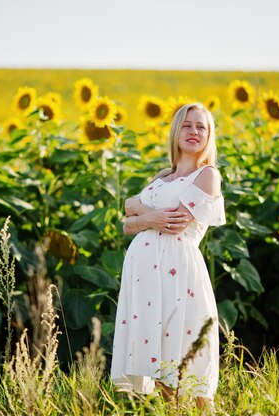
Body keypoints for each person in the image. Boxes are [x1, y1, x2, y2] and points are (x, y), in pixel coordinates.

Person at [110, 102, 226, 410]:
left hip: (179, 274)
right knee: (158, 352)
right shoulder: (163, 176)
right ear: (176, 131)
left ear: (209, 135)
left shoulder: (207, 175)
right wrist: (143, 216)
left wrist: (136, 205)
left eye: (201, 127)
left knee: (185, 349)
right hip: (146, 278)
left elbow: (176, 223)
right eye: (187, 125)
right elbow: (127, 225)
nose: (194, 132)